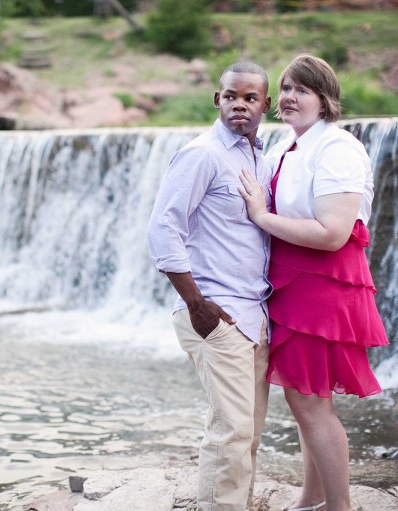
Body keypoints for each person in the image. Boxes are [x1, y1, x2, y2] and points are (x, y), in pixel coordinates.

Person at [238, 54, 390, 511]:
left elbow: (332, 234)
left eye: (302, 89)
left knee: (310, 403)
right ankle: (312, 499)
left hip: (321, 286)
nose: (288, 97)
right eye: (284, 89)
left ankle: (339, 507)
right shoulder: (291, 145)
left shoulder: (338, 148)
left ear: (325, 100)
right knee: (305, 399)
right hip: (294, 285)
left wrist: (261, 217)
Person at [147, 61, 273, 511]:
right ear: (216, 99)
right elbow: (164, 229)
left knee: (249, 432)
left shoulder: (258, 155)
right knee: (232, 431)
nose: (240, 104)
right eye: (231, 96)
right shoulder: (202, 153)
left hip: (255, 316)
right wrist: (197, 305)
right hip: (217, 313)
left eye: (250, 97)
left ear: (265, 105)